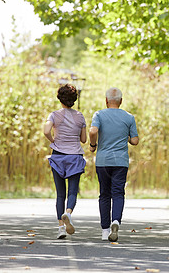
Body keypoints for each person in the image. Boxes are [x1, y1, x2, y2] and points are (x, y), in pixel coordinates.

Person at [89, 87, 139, 242]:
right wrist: (128, 139)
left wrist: (93, 145)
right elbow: (135, 140)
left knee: (104, 194)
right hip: (121, 161)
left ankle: (105, 230)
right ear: (121, 101)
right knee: (118, 193)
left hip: (103, 161)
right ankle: (115, 221)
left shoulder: (99, 115)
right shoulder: (129, 117)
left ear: (106, 100)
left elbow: (92, 131)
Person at [44, 84, 87, 239]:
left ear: (60, 98)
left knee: (60, 193)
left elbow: (46, 130)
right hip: (75, 156)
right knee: (72, 191)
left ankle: (61, 228)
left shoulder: (54, 115)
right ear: (74, 99)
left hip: (58, 156)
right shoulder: (80, 116)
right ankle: (68, 213)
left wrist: (53, 140)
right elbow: (83, 139)